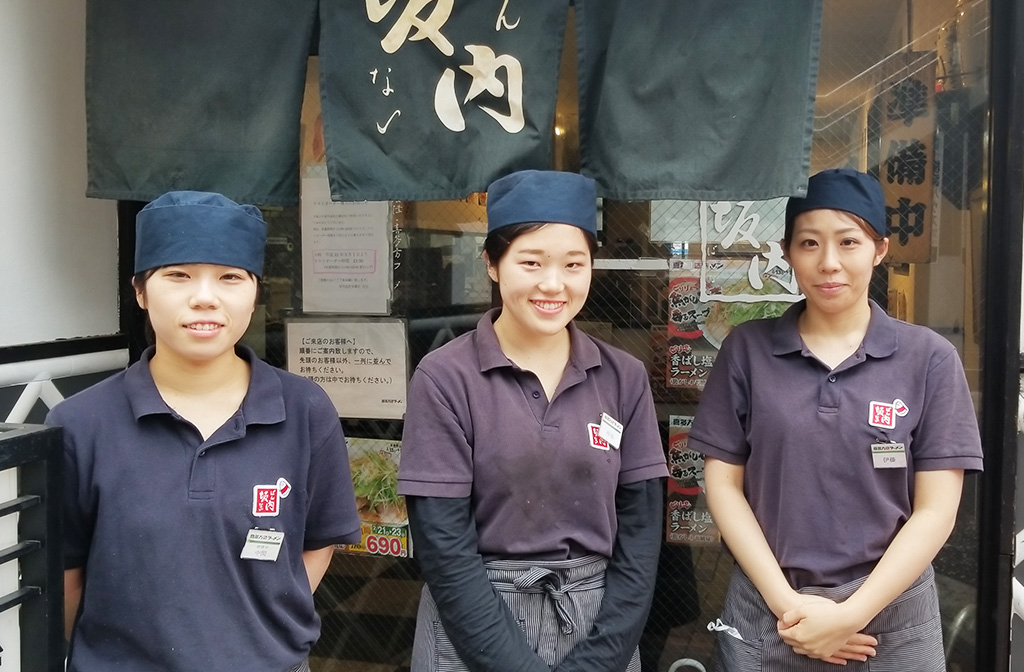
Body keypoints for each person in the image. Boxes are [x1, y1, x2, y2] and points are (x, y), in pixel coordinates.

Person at [48, 191, 362, 672]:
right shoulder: (80, 423)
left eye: (230, 277)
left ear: (255, 293)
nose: (205, 297)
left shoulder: (303, 409)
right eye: (178, 275)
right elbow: (66, 573)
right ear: (139, 291)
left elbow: (317, 541)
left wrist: (257, 631)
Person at [687, 168, 984, 670]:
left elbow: (936, 510)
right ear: (787, 253)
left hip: (892, 617)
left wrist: (849, 616)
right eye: (808, 243)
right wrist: (793, 611)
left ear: (880, 250)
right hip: (770, 605)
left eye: (848, 242)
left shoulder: (928, 358)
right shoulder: (747, 350)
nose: (828, 263)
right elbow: (723, 486)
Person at [398, 170, 669, 672]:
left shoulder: (623, 377)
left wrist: (599, 660)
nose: (553, 284)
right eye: (531, 262)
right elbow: (443, 544)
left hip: (598, 623)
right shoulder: (444, 377)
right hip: (475, 624)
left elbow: (641, 530)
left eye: (574, 264)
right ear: (493, 265)